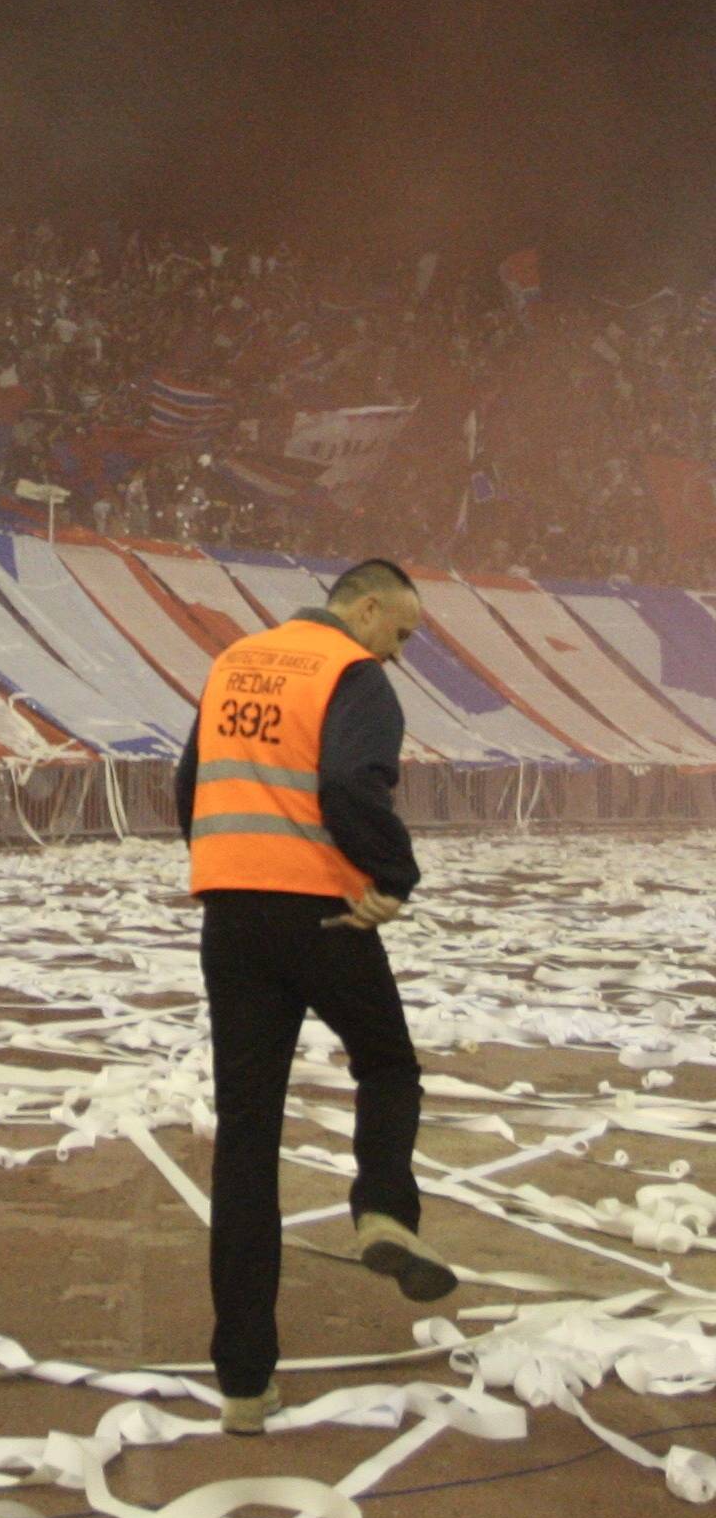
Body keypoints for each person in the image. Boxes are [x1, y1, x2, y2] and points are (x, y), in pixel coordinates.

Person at [173, 557, 455, 1435]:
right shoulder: (354, 675)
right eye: (401, 632)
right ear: (366, 610)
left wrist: (230, 870)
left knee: (247, 1140)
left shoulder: (235, 662)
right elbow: (344, 783)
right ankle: (381, 1207)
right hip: (322, 917)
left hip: (230, 915)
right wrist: (393, 872)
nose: (401, 652)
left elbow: (189, 785)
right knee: (388, 1062)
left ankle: (245, 1385)